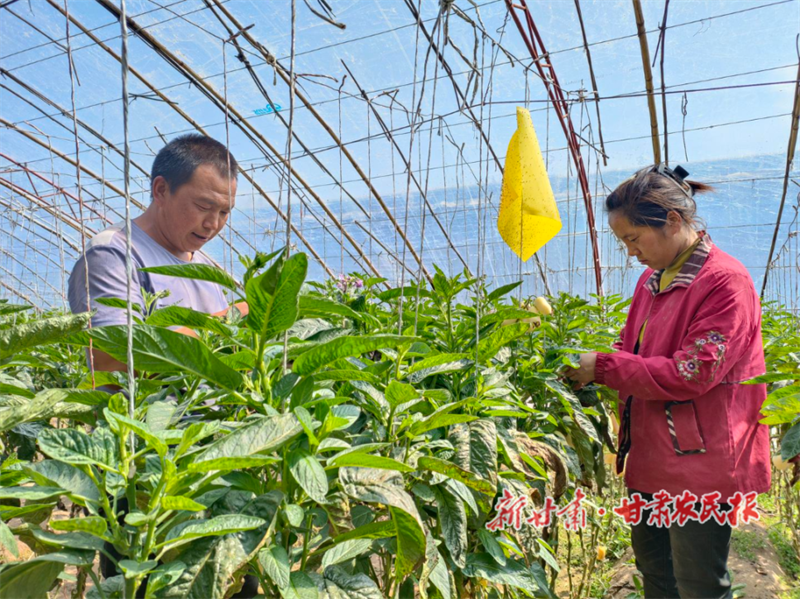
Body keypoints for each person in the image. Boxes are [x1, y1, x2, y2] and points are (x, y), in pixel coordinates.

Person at [565, 164, 770, 599]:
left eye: (634, 239)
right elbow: (631, 350)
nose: (630, 252)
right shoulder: (652, 279)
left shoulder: (725, 282)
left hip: (702, 464)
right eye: (623, 242)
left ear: (673, 221)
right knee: (657, 575)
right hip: (650, 454)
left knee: (699, 583)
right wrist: (586, 366)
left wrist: (602, 367)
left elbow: (692, 372)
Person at [68, 133, 247, 372]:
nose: (213, 224)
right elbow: (114, 359)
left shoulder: (206, 268)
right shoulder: (113, 254)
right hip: (146, 410)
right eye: (204, 207)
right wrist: (232, 319)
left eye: (225, 212)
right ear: (161, 190)